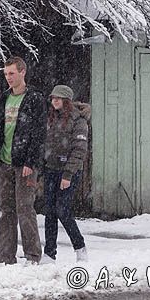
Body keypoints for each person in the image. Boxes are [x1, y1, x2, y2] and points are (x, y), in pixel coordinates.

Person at [0, 56, 46, 265]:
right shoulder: (3, 99)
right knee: (6, 209)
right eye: (6, 74)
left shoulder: (34, 98)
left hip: (24, 163)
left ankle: (33, 255)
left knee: (25, 207)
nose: (8, 77)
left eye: (12, 73)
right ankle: (5, 255)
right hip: (5, 162)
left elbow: (38, 134)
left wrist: (31, 162)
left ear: (22, 72)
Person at [40, 85, 90, 264]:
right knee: (50, 212)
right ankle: (49, 253)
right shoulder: (51, 118)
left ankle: (80, 246)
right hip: (51, 169)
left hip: (69, 171)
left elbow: (79, 150)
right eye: (53, 98)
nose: (55, 101)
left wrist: (68, 174)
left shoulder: (79, 121)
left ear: (67, 101)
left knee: (63, 210)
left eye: (59, 98)